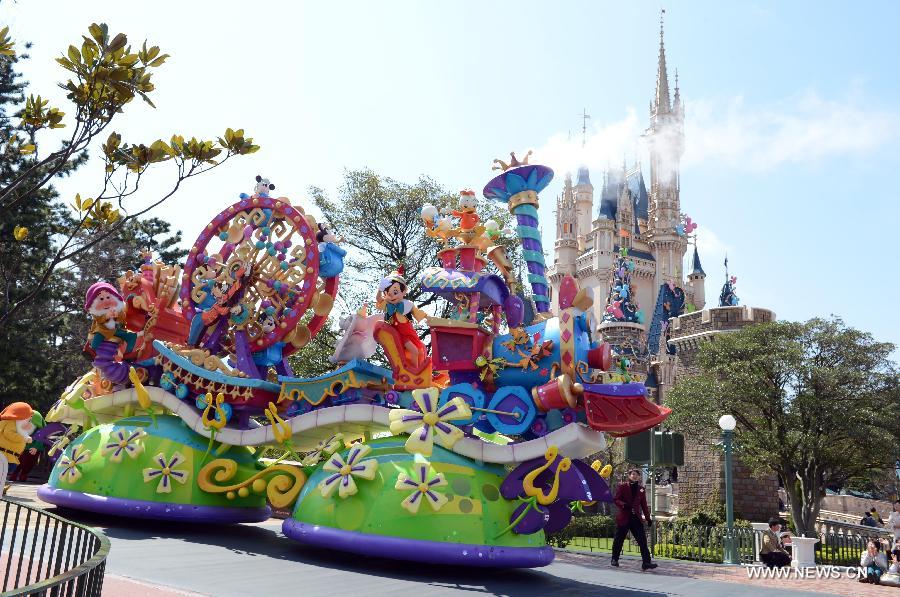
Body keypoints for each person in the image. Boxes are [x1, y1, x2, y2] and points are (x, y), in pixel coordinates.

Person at [611, 468, 657, 570]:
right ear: (629, 475)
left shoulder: (641, 489)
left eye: (636, 474)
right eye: (632, 474)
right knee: (619, 539)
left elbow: (644, 505)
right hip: (624, 517)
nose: (634, 476)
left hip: (636, 518)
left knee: (642, 541)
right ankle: (614, 559)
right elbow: (616, 499)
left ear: (639, 477)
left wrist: (648, 518)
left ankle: (646, 562)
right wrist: (624, 505)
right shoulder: (622, 486)